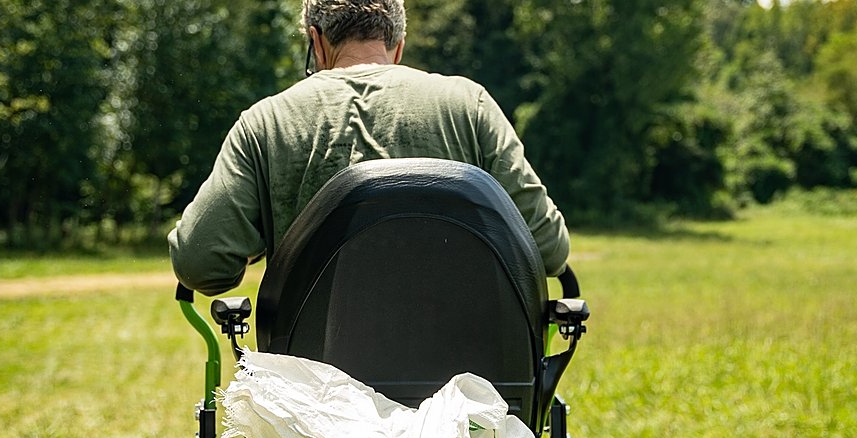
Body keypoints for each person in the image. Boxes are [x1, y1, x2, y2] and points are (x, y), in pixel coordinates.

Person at [169, 0, 569, 297]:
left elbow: (199, 264)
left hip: (314, 388)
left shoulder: (266, 123)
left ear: (316, 42)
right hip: (462, 383)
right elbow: (549, 249)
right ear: (398, 45)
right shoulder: (470, 106)